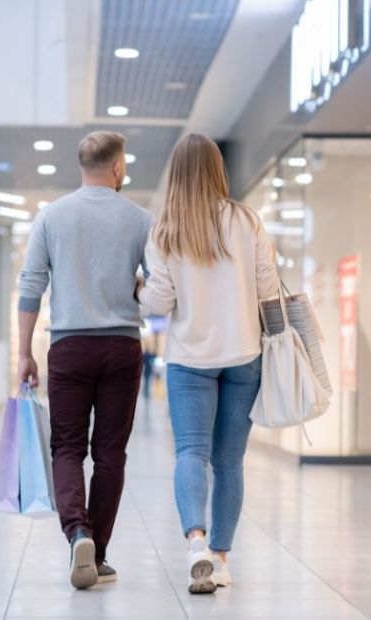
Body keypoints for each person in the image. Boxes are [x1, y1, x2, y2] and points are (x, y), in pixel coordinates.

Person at [136, 133, 279, 594]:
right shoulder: (247, 220)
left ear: (176, 173)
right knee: (230, 461)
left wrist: (139, 290)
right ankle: (221, 558)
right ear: (218, 169)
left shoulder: (166, 230)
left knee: (191, 454)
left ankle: (195, 542)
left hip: (190, 358)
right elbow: (268, 291)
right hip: (244, 355)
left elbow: (158, 302)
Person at [17, 131, 153, 589]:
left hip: (69, 347)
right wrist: (133, 286)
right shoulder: (140, 219)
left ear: (82, 166)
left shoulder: (52, 216)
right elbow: (158, 289)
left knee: (68, 447)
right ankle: (101, 550)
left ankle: (78, 533)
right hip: (120, 346)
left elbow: (31, 286)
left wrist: (23, 353)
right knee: (110, 453)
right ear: (118, 167)